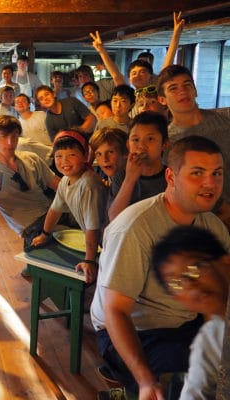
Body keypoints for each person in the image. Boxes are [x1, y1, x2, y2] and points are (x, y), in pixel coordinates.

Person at [90, 135, 229, 399]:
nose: (210, 183)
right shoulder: (136, 227)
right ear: (171, 177)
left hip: (184, 321)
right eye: (197, 173)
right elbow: (115, 311)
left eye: (217, 173)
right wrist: (145, 380)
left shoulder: (214, 228)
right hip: (135, 329)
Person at [151, 225, 229, 399]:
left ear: (226, 262)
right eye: (176, 284)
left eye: (194, 269)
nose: (189, 285)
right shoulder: (211, 339)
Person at [158, 64, 230, 229]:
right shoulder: (168, 142)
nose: (182, 91)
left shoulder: (225, 120)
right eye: (173, 88)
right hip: (204, 221)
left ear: (195, 90)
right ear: (162, 99)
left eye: (187, 85)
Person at [30, 131, 106, 283]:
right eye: (59, 156)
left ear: (85, 156)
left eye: (72, 155)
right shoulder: (65, 181)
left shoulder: (88, 184)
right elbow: (55, 210)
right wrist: (45, 234)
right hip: (95, 238)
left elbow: (93, 227)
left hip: (106, 241)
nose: (64, 161)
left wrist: (90, 261)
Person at [108, 111, 169, 222]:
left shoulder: (171, 177)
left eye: (150, 139)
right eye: (135, 140)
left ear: (164, 144)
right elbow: (114, 218)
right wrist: (130, 179)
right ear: (128, 145)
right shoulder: (121, 176)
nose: (141, 146)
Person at [89, 127, 128, 215]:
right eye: (99, 154)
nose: (104, 159)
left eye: (110, 152)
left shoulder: (128, 177)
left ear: (125, 152)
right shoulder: (112, 174)